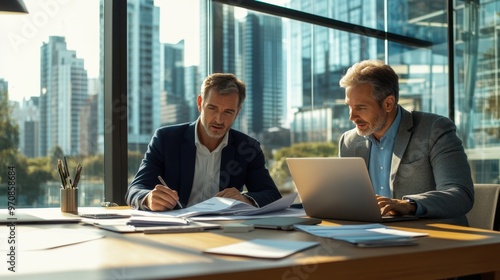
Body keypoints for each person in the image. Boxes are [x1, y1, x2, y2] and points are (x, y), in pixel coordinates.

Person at [338, 59, 474, 226]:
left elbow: (460, 195)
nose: (351, 116)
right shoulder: (349, 141)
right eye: (349, 107)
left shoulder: (434, 130)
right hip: (371, 236)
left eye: (360, 107)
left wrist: (409, 205)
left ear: (388, 103)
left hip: (436, 238)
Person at [125, 73, 282, 211]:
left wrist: (246, 199)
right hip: (176, 229)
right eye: (212, 108)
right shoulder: (166, 139)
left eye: (228, 112)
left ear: (238, 112)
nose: (219, 120)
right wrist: (148, 198)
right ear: (200, 103)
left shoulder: (248, 147)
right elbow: (135, 189)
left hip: (225, 231)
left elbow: (271, 194)